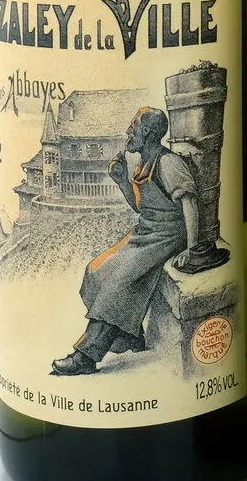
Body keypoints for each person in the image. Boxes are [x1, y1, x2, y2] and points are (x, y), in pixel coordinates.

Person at [51, 105, 199, 376]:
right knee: (96, 271)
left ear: (149, 132)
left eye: (134, 126)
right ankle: (130, 336)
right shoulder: (143, 163)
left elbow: (189, 203)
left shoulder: (168, 163)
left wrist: (192, 249)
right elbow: (141, 208)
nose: (129, 131)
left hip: (166, 237)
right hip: (146, 232)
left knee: (116, 286)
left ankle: (86, 356)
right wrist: (121, 181)